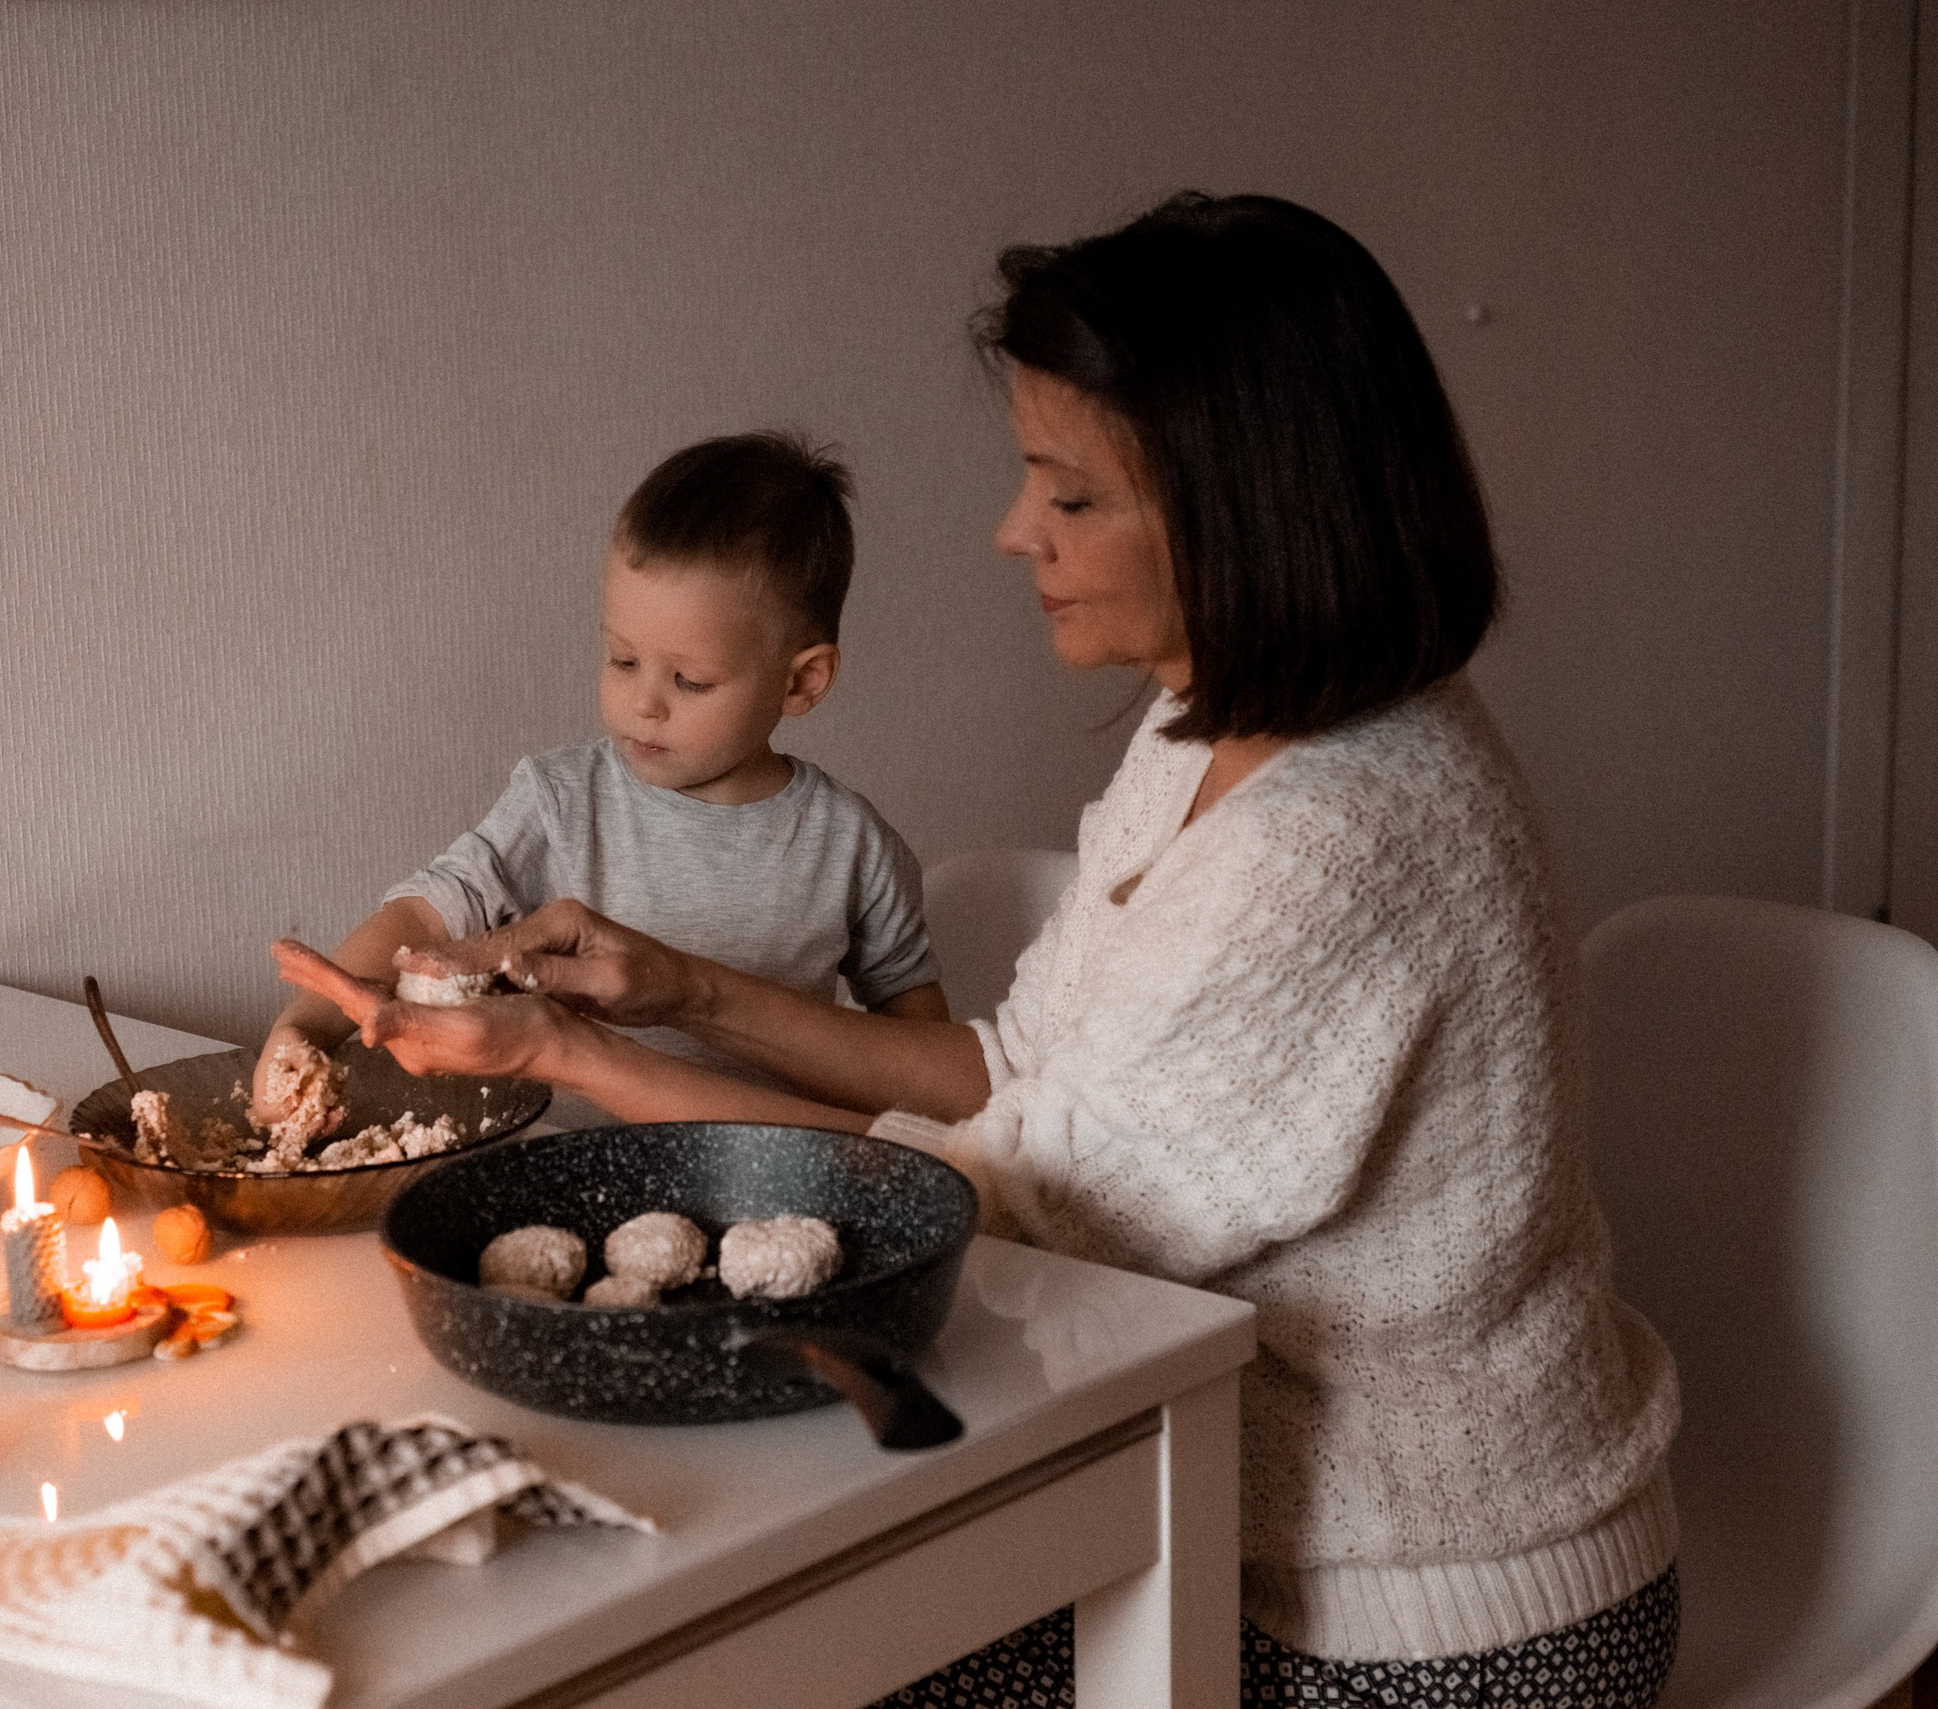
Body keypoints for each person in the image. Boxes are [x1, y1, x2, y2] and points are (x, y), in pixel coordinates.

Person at [276, 193, 1682, 1709]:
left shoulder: (1335, 845)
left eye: (1068, 496)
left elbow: (983, 1210)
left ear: (1242, 507)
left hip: (1435, 1625)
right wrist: (677, 989)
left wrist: (566, 1052)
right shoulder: (1204, 723)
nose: (1017, 532)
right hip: (1222, 1526)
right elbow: (1006, 1079)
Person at [256, 429, 947, 1125]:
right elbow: (422, 915)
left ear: (801, 682)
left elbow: (924, 1068)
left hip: (767, 1185)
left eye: (690, 679)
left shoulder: (851, 845)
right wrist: (308, 1027)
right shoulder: (561, 800)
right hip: (570, 1169)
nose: (644, 702)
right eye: (622, 660)